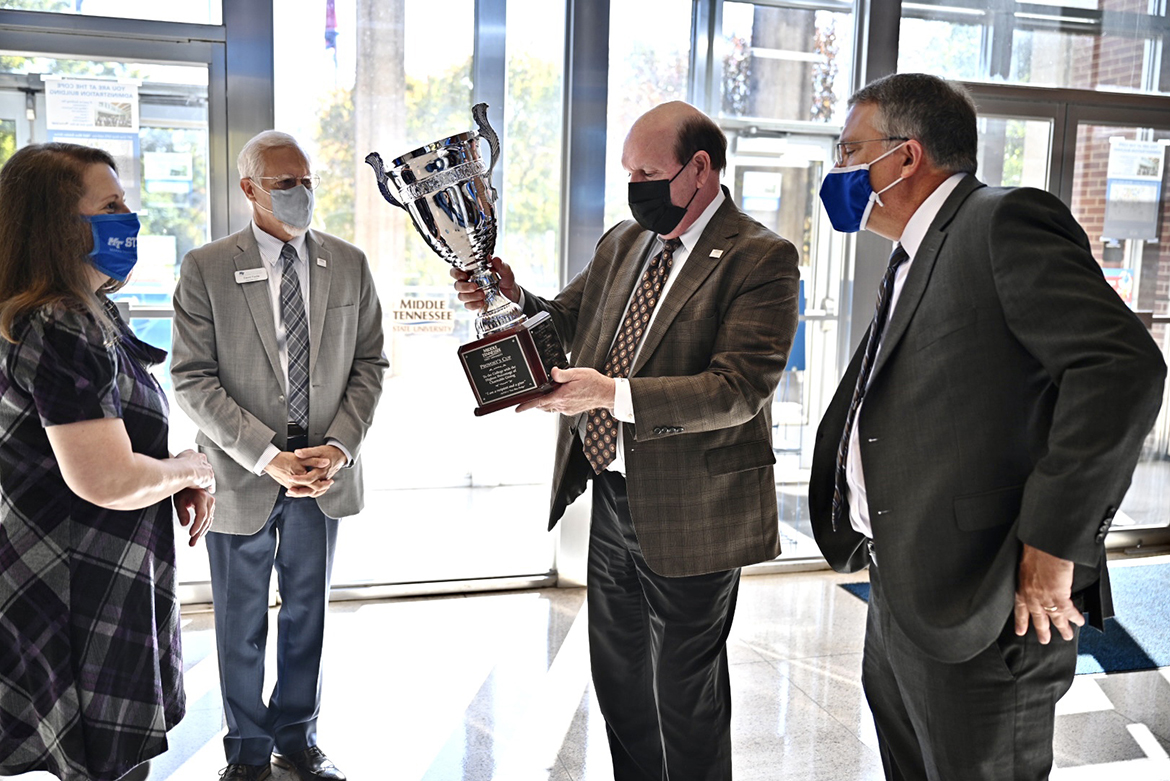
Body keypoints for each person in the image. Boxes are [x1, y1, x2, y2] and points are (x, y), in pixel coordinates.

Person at [808, 72, 1167, 781]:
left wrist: (1055, 543)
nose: (839, 171)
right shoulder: (914, 250)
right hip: (905, 593)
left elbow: (1121, 367)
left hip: (986, 606)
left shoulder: (1000, 221)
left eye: (851, 152)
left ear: (905, 157)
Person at [454, 101, 800, 780]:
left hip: (694, 509)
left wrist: (610, 394)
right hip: (612, 499)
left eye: (648, 171)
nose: (634, 186)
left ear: (700, 169)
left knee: (685, 697)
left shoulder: (761, 257)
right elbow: (570, 318)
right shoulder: (625, 241)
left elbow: (739, 388)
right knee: (620, 686)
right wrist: (513, 295)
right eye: (628, 172)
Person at [171, 131, 387, 781]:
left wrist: (340, 447)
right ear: (250, 189)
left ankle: (298, 737)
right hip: (243, 472)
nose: (302, 193)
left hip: (323, 471)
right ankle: (246, 751)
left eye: (307, 179)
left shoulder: (348, 263)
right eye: (285, 183)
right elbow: (193, 378)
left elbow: (370, 364)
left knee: (307, 614)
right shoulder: (206, 267)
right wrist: (267, 456)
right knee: (239, 622)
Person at [0, 143, 216, 781]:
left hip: (89, 571)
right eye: (111, 204)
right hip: (78, 587)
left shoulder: (75, 316)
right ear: (56, 224)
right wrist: (191, 469)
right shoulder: (59, 325)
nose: (131, 216)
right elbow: (108, 479)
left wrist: (165, 474)